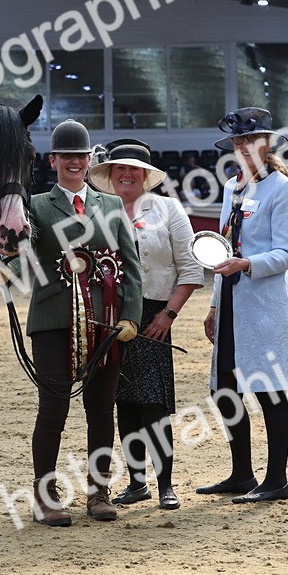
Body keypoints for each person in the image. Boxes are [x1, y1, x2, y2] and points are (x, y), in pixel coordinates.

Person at [22, 119, 142, 526]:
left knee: (101, 409)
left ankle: (98, 491)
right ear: (52, 160)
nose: (74, 162)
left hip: (105, 323)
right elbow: (19, 258)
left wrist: (130, 316)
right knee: (52, 409)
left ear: (90, 160)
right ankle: (45, 497)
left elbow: (131, 266)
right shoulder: (36, 206)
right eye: (66, 156)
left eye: (80, 155)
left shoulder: (111, 206)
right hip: (53, 320)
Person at [88, 139, 204, 511]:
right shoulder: (96, 210)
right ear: (110, 174)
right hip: (110, 316)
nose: (126, 174)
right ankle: (137, 483)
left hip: (155, 316)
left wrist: (168, 314)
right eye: (119, 168)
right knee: (123, 402)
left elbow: (191, 269)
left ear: (145, 175)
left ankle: (166, 483)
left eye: (133, 169)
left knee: (154, 404)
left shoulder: (169, 209)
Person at [196, 107, 288, 503]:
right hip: (230, 301)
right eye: (239, 141)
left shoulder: (281, 189)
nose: (244, 147)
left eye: (251, 140)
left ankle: (277, 480)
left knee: (269, 390)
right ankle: (241, 473)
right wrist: (213, 304)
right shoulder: (231, 187)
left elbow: (287, 253)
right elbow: (223, 248)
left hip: (264, 304)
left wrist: (247, 264)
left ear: (266, 144)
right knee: (225, 389)